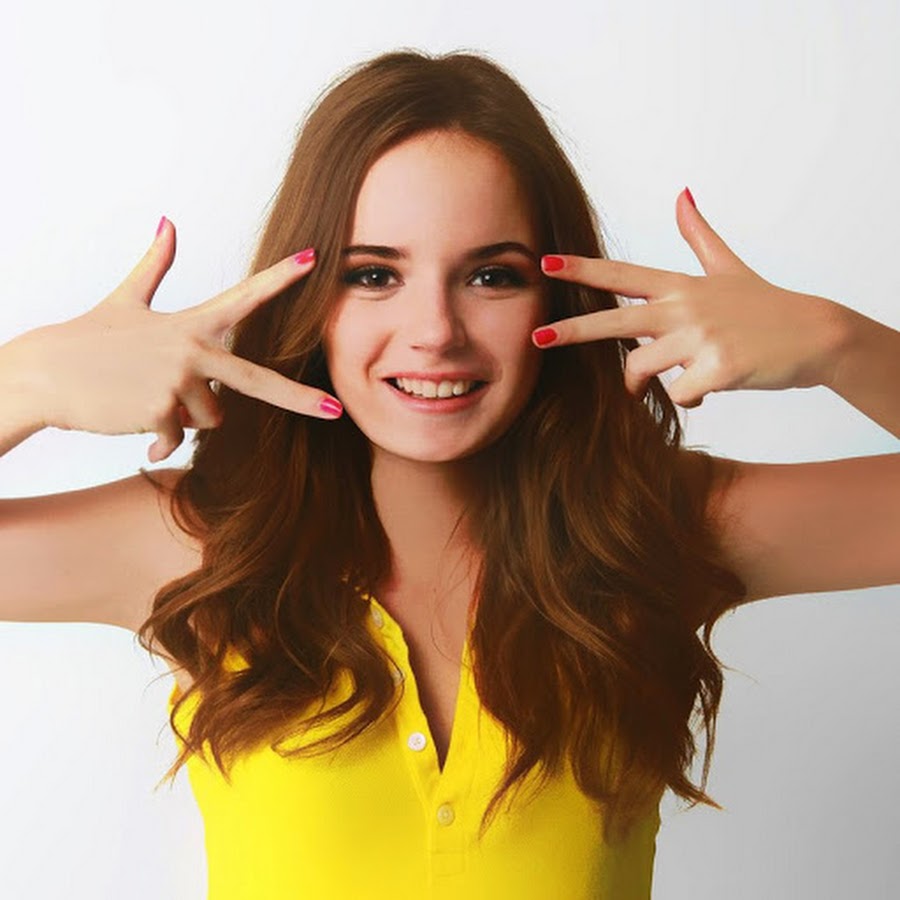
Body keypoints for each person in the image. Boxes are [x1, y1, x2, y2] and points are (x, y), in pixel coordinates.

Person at [1, 49, 897, 900]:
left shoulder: (655, 526)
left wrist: (839, 343)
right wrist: (27, 381)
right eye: (373, 275)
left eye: (492, 276)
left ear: (558, 297)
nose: (435, 331)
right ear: (306, 301)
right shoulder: (190, 543)